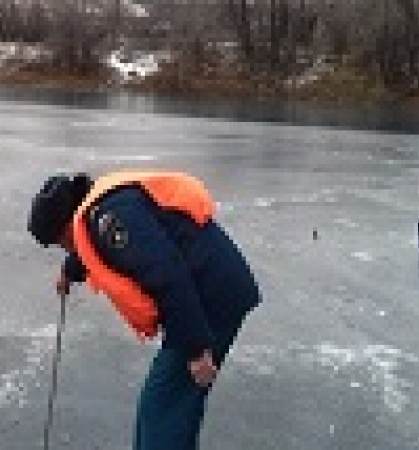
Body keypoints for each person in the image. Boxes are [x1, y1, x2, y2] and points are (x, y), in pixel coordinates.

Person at [27, 171, 261, 449]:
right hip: (206, 294)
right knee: (170, 406)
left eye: (61, 243)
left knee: (162, 409)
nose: (66, 248)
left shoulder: (108, 219)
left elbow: (165, 273)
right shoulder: (102, 210)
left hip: (210, 299)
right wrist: (70, 270)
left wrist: (196, 349)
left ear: (65, 227)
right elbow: (102, 249)